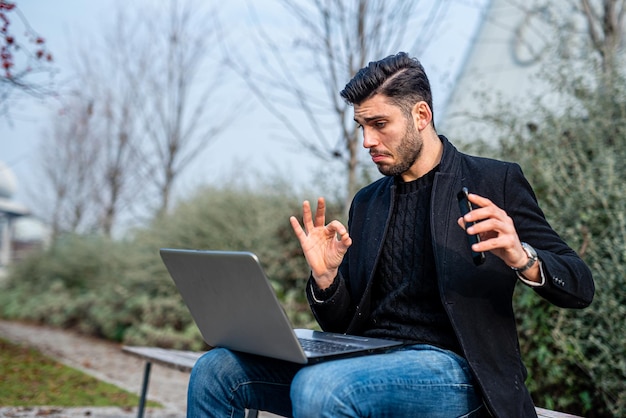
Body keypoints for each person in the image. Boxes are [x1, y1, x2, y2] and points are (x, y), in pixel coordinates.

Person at [187, 52, 594, 417]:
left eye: (380, 124)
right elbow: (345, 324)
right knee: (216, 369)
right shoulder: (368, 202)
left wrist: (523, 256)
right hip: (369, 359)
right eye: (362, 126)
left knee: (323, 388)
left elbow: (580, 285)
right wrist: (327, 280)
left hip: (458, 371)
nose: (368, 141)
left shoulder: (494, 180)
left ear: (421, 115)